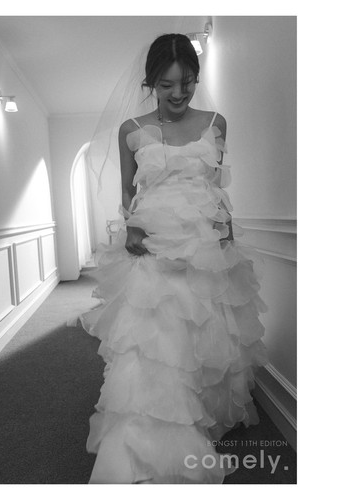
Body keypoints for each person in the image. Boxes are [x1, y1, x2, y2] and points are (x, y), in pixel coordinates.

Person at [80, 33, 268, 484]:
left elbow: (214, 183)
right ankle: (150, 437)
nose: (179, 93)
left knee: (206, 331)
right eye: (167, 85)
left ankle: (201, 411)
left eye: (187, 82)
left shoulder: (216, 122)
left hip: (205, 243)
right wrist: (132, 227)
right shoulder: (131, 129)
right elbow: (128, 191)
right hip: (154, 246)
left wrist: (225, 223)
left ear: (197, 78)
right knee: (157, 340)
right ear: (150, 83)